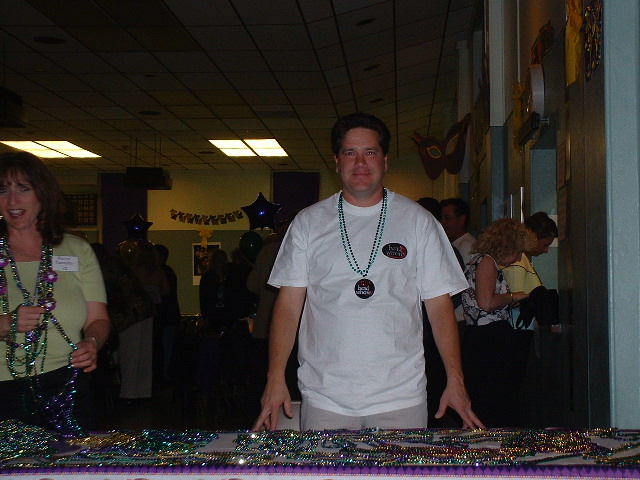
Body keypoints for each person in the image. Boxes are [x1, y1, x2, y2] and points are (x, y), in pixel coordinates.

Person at [253, 112, 483, 431]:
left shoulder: (419, 222)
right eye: (350, 152)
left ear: (385, 161)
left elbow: (439, 307)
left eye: (370, 152)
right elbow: (289, 306)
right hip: (325, 396)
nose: (360, 162)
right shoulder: (308, 223)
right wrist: (275, 378)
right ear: (337, 162)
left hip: (401, 397)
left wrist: (455, 380)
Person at [0, 152, 109, 433]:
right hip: (4, 392)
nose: (12, 200)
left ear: (42, 194)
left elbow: (98, 319)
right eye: (3, 190)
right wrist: (7, 323)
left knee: (75, 460)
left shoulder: (76, 249)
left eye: (23, 188)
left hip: (67, 386)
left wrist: (92, 342)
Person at [460, 218, 534, 427]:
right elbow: (486, 302)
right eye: (518, 251)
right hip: (490, 339)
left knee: (483, 398)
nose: (519, 257)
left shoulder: (476, 260)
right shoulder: (487, 262)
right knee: (496, 400)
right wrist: (513, 296)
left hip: (477, 336)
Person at [440, 198, 475, 265]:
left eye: (447, 218)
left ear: (462, 219)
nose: (442, 222)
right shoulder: (458, 243)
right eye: (442, 218)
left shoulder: (466, 246)